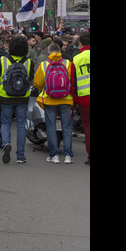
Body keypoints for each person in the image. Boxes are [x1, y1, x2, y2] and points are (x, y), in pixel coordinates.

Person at [0, 35, 33, 164]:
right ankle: (20, 155)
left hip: (6, 96)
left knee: (5, 122)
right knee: (21, 125)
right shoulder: (28, 61)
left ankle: (6, 143)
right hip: (23, 97)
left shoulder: (3, 60)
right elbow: (30, 78)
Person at [34, 43, 77, 163]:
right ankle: (68, 156)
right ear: (60, 51)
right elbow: (71, 80)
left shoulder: (44, 64)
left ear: (49, 52)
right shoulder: (67, 63)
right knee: (67, 127)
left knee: (51, 127)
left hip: (50, 99)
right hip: (66, 98)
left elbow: (37, 82)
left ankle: (54, 155)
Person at [72, 32, 90, 165]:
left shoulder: (77, 59)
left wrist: (75, 99)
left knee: (88, 129)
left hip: (84, 100)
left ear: (80, 43)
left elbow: (74, 82)